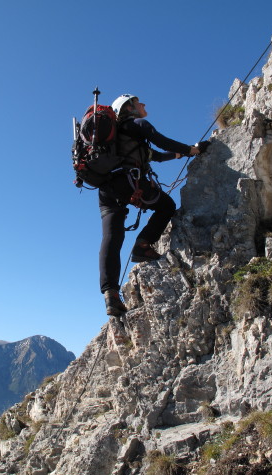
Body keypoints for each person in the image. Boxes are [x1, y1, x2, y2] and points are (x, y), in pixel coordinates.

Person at [100, 94, 206, 316]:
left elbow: (156, 155)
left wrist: (179, 155)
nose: (144, 105)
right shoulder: (137, 124)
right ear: (129, 108)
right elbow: (160, 141)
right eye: (138, 102)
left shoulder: (117, 140)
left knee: (112, 236)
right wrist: (192, 150)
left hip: (106, 187)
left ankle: (111, 295)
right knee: (166, 205)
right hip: (130, 181)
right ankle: (143, 246)